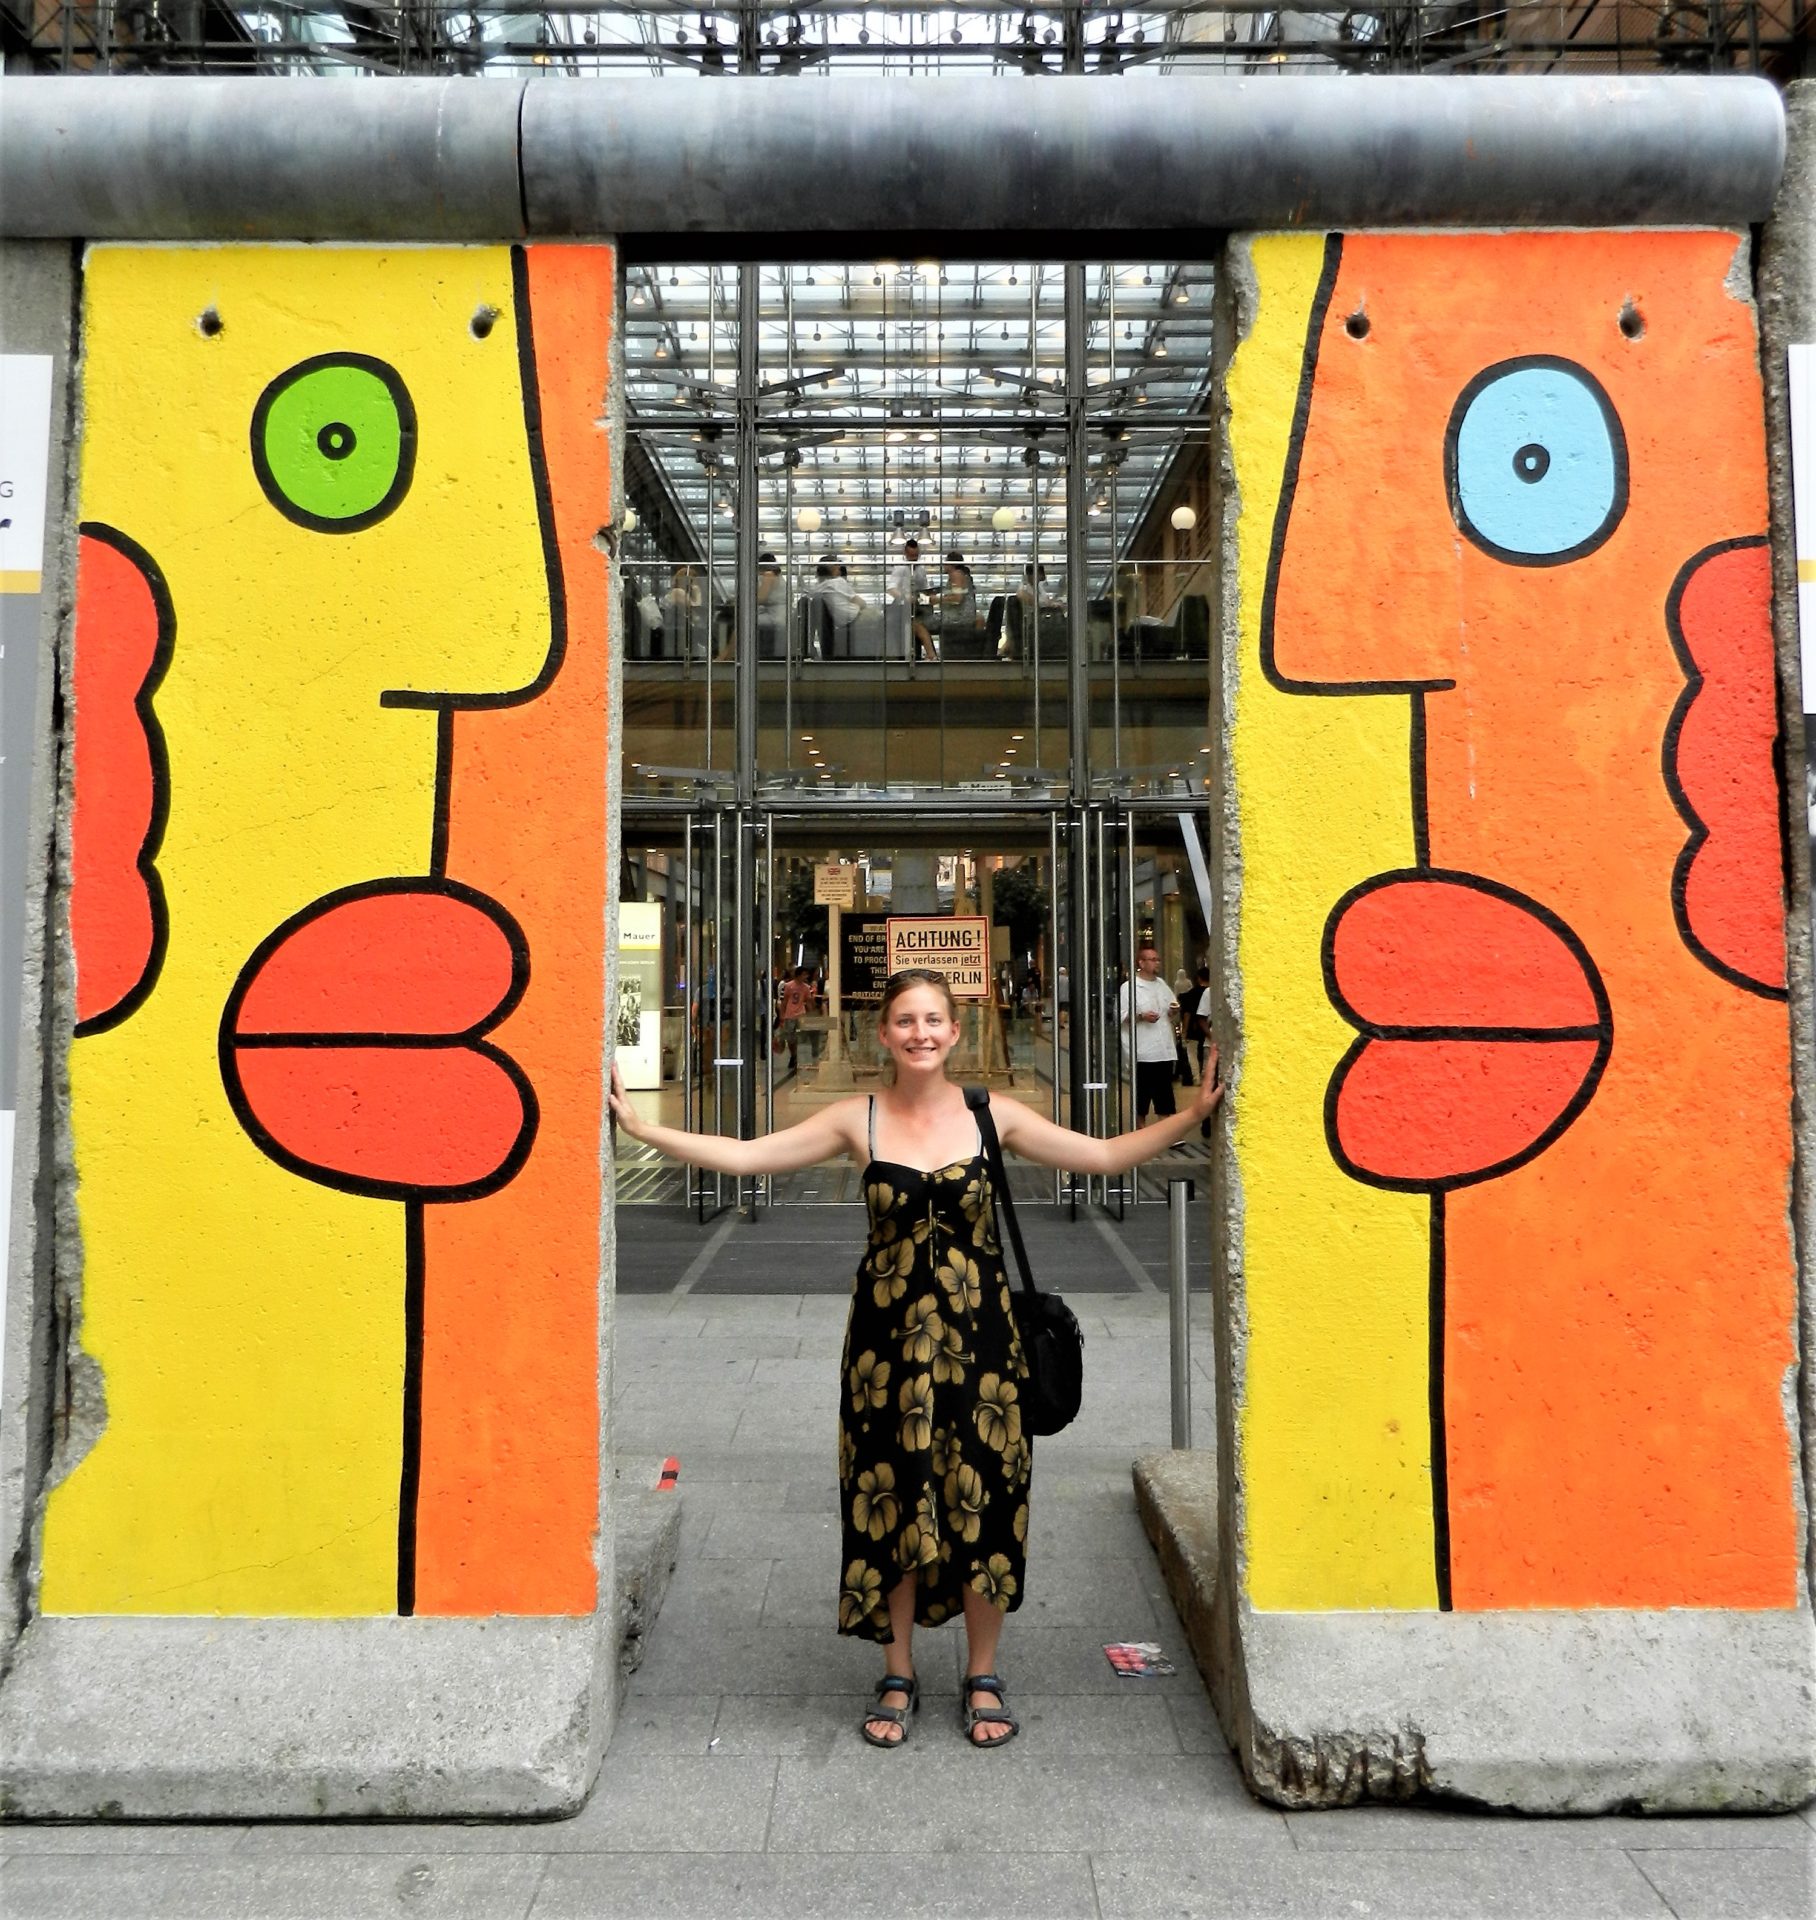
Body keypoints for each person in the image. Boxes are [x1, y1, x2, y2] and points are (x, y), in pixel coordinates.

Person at [608, 967, 1223, 1751]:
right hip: (884, 1349)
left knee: (986, 1501)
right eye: (905, 1020)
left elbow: (1101, 1158)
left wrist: (1191, 1117)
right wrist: (644, 1130)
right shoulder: (855, 1119)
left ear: (956, 1031)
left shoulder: (990, 1114)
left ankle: (982, 1671)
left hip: (987, 1349)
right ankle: (896, 1669)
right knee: (888, 1498)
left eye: (935, 1019)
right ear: (884, 1032)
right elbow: (745, 1156)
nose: (921, 1032)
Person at [1119, 942, 1181, 1120]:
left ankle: (1166, 1130)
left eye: (1158, 959)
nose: (1157, 963)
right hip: (1143, 1051)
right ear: (1141, 963)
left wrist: (1173, 1011)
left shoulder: (1161, 984)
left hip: (1164, 1049)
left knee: (1165, 1094)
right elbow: (1122, 1016)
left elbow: (1170, 1007)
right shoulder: (1129, 988)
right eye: (1152, 960)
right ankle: (1139, 1130)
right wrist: (1141, 1016)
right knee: (1142, 1096)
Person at [919, 552, 976, 657]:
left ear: (952, 564)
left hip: (957, 617)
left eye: (946, 562)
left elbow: (957, 598)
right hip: (962, 616)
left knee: (917, 623)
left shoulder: (956, 574)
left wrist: (937, 600)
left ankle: (931, 655)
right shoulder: (962, 575)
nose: (944, 565)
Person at [889, 537, 933, 662]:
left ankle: (920, 655)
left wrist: (926, 597)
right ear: (905, 553)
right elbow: (891, 589)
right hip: (903, 607)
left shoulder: (920, 568)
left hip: (917, 606)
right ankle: (909, 656)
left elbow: (925, 588)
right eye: (912, 555)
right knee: (911, 627)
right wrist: (905, 597)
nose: (914, 558)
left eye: (916, 555)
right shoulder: (900, 567)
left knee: (918, 626)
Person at [814, 552, 866, 655]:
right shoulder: (838, 582)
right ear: (831, 567)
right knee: (882, 618)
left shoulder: (819, 587)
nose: (839, 567)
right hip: (854, 617)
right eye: (837, 565)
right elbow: (861, 602)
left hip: (839, 622)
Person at [775, 965, 818, 1072]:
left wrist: (812, 1013)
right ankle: (793, 1055)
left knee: (802, 1037)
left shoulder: (806, 987)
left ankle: (800, 1057)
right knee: (790, 1038)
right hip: (790, 1015)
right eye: (804, 974)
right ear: (798, 975)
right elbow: (784, 1001)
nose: (806, 977)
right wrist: (782, 1015)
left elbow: (808, 1001)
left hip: (801, 1014)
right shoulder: (788, 986)